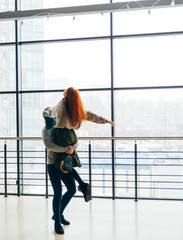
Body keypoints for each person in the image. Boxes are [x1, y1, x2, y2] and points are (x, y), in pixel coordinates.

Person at [42, 87, 114, 235]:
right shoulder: (49, 127)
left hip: (66, 161)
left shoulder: (70, 123)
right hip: (53, 163)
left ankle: (58, 213)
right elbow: (49, 145)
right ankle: (57, 222)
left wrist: (106, 121)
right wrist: (66, 150)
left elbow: (89, 117)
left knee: (72, 189)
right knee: (58, 191)